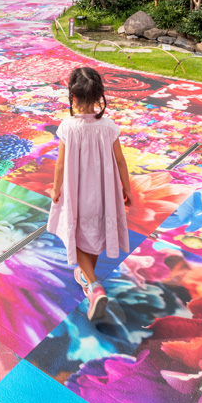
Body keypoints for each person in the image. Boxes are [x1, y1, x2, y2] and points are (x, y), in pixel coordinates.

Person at [49, 66, 134, 320]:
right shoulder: (108, 127)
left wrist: (56, 188)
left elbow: (61, 164)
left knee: (75, 233)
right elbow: (120, 161)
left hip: (77, 195)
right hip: (103, 195)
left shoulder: (68, 127)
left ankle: (94, 286)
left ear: (72, 98)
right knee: (94, 234)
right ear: (100, 98)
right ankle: (87, 278)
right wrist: (126, 188)